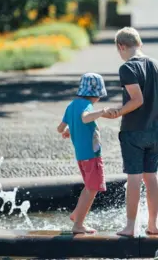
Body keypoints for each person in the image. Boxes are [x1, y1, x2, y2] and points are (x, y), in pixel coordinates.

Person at [110, 27, 158, 237]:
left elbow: (137, 100)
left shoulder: (127, 68)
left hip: (133, 131)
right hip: (156, 131)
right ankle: (152, 225)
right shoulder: (156, 64)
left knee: (134, 179)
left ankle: (131, 226)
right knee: (151, 177)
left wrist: (117, 112)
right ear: (139, 44)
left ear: (121, 46)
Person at [57, 72, 116, 234]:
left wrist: (69, 130)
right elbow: (85, 118)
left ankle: (77, 213)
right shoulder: (87, 107)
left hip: (81, 156)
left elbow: (60, 128)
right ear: (96, 94)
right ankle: (78, 225)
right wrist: (102, 112)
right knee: (93, 188)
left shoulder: (71, 106)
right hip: (92, 155)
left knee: (89, 186)